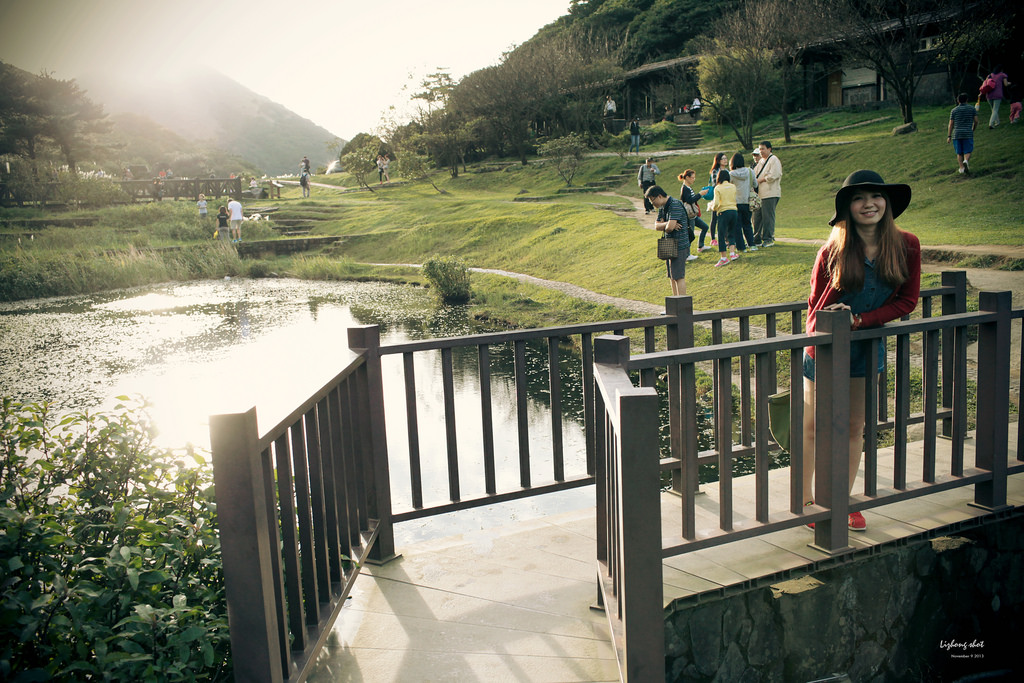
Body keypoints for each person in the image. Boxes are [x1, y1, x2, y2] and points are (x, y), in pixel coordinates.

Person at [802, 170, 921, 532]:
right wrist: (826, 327)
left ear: (887, 203)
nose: (869, 204)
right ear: (847, 208)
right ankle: (805, 500)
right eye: (858, 198)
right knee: (813, 426)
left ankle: (841, 498)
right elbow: (814, 305)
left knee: (854, 427)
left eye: (876, 196)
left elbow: (907, 301)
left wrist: (861, 320)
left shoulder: (907, 245)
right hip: (823, 347)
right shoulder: (832, 250)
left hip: (866, 348)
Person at [645, 185, 690, 296]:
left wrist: (667, 225)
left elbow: (669, 228)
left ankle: (682, 307)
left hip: (680, 244)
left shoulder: (674, 204)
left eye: (652, 200)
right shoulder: (662, 207)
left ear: (659, 196)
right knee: (671, 276)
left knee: (678, 276)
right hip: (669, 243)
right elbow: (657, 226)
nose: (652, 203)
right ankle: (674, 305)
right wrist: (667, 224)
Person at [753, 141, 782, 247]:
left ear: (769, 149)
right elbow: (754, 173)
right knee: (757, 217)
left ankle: (768, 239)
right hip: (760, 194)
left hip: (770, 193)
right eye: (759, 149)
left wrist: (761, 180)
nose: (761, 151)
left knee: (768, 217)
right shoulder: (761, 162)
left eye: (763, 149)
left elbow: (774, 174)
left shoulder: (774, 160)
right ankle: (756, 239)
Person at [696, 152, 727, 250]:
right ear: (718, 161)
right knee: (715, 218)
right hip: (717, 196)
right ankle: (713, 238)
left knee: (724, 217)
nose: (725, 160)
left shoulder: (727, 170)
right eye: (723, 159)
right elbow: (715, 184)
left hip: (725, 196)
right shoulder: (715, 171)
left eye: (726, 158)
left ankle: (725, 238)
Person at [728, 152, 757, 251]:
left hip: (735, 202)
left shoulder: (731, 174)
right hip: (747, 201)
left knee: (737, 226)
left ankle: (741, 247)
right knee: (747, 223)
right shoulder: (750, 171)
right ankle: (752, 244)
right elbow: (755, 184)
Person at [711, 169, 740, 267]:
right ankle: (732, 254)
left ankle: (723, 257)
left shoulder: (718, 188)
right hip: (734, 211)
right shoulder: (733, 186)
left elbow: (716, 203)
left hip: (723, 212)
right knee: (731, 232)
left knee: (721, 234)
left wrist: (712, 208)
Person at [947, 93, 979, 175]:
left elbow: (951, 124)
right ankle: (966, 161)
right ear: (967, 100)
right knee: (968, 150)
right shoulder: (972, 109)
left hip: (956, 134)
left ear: (958, 101)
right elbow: (976, 121)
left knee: (959, 152)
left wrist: (949, 136)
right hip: (967, 132)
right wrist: (973, 128)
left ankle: (961, 168)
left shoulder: (954, 110)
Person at [678, 169, 703, 262]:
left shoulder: (688, 188)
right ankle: (686, 255)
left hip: (693, 214)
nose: (694, 179)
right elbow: (689, 200)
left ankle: (701, 245)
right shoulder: (685, 188)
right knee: (690, 234)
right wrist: (700, 194)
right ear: (687, 178)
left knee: (704, 227)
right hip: (689, 215)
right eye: (692, 178)